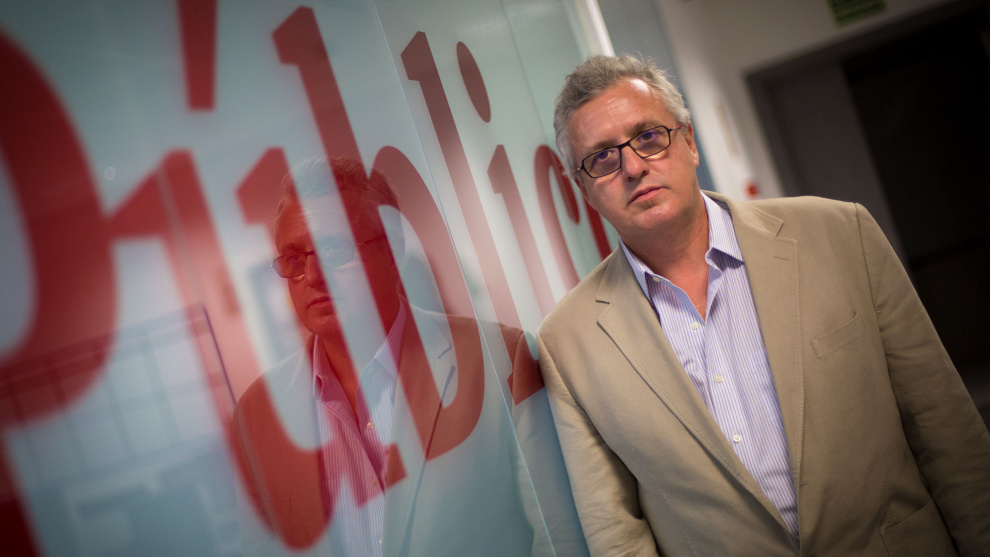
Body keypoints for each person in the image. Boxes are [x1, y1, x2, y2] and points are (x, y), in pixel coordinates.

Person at [536, 55, 990, 556]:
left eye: (648, 136)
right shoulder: (569, 342)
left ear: (689, 142)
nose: (633, 167)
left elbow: (945, 429)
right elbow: (615, 532)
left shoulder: (840, 234)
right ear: (583, 188)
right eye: (602, 157)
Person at [233, 157, 586, 556]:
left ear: (392, 250)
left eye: (335, 249)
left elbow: (560, 538)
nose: (313, 277)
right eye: (294, 259)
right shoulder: (258, 416)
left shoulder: (500, 360)